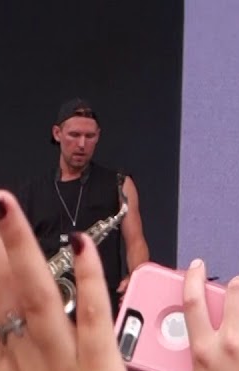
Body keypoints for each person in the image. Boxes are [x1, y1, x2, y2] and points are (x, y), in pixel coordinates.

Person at [12, 98, 151, 319]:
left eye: (90, 136)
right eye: (74, 135)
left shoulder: (119, 184)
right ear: (57, 134)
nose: (82, 145)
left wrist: (137, 279)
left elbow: (136, 242)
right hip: (48, 311)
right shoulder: (31, 191)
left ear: (98, 136)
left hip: (102, 309)